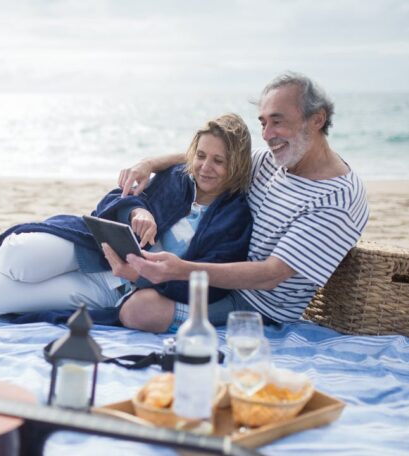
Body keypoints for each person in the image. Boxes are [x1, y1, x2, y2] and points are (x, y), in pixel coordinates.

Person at [103, 71, 369, 332]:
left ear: (317, 119)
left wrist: (182, 270)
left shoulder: (337, 197)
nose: (266, 135)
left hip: (254, 303)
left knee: (140, 310)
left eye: (277, 121)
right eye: (263, 123)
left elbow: (271, 275)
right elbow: (206, 158)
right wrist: (147, 164)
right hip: (216, 276)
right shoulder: (272, 161)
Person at [0, 113, 254, 320]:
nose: (205, 167)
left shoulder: (234, 218)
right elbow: (116, 199)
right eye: (201, 155)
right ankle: (0, 271)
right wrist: (139, 210)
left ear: (237, 166)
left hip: (113, 287)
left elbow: (208, 285)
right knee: (17, 255)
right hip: (94, 246)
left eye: (219, 161)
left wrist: (140, 279)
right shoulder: (177, 177)